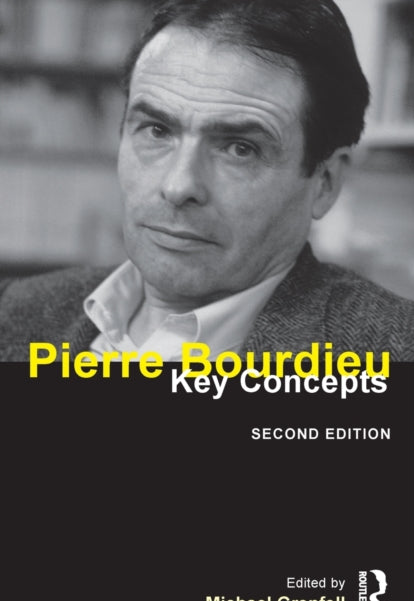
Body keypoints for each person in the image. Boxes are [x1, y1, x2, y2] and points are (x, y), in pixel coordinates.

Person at [0, 0, 413, 362]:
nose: (178, 186)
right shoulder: (15, 313)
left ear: (325, 182)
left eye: (240, 149)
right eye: (157, 130)